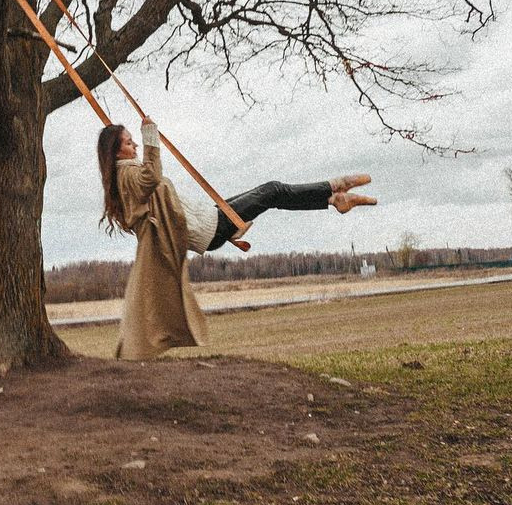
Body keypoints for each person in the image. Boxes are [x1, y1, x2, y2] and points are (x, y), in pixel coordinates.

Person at [97, 117, 376, 360]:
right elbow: (152, 176)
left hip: (211, 218)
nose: (135, 145)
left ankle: (333, 198)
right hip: (212, 227)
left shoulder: (125, 175)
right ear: (116, 151)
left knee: (272, 193)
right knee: (273, 191)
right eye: (129, 142)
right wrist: (150, 136)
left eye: (134, 141)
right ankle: (333, 188)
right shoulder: (129, 174)